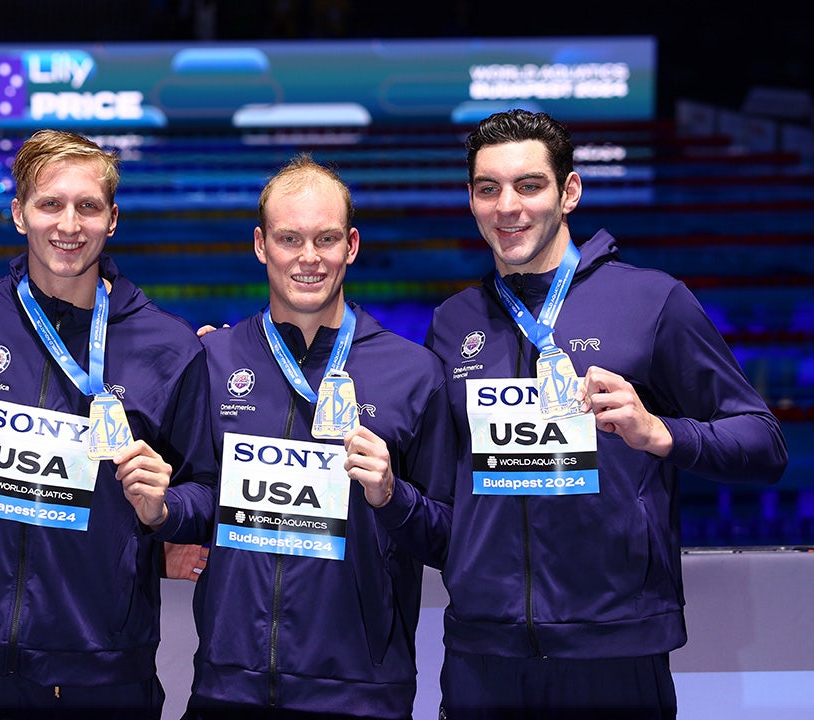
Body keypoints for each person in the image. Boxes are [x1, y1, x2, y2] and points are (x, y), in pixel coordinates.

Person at [424, 108, 789, 719]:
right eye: (489, 189)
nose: (508, 206)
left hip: (615, 648)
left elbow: (764, 443)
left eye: (529, 185)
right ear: (471, 200)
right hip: (483, 651)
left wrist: (660, 433)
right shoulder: (455, 321)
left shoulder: (651, 300)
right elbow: (434, 478)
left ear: (569, 192)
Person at [0, 129, 217, 719]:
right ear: (18, 213)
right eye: (50, 203)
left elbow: (205, 491)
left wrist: (163, 511)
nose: (69, 224)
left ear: (113, 219)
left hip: (103, 668)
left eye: (88, 206)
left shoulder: (169, 345)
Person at [178, 154, 456, 719]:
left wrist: (391, 496)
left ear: (351, 246)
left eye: (326, 239)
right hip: (229, 688)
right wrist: (158, 509)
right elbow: (195, 502)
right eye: (289, 239)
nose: (309, 258)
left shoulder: (414, 373)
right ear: (261, 245)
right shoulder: (212, 360)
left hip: (360, 694)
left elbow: (452, 536)